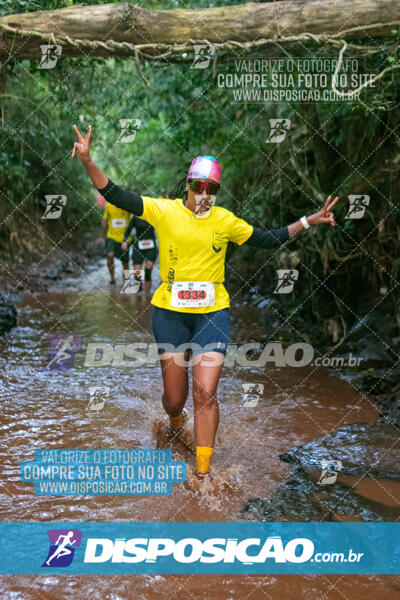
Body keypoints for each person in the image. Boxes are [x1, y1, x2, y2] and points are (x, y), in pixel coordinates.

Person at [72, 124, 339, 481]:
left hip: (212, 316)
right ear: (187, 184)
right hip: (170, 316)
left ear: (216, 191)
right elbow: (115, 193)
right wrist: (88, 160)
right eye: (198, 186)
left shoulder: (225, 221)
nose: (204, 194)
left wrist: (309, 220)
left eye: (211, 189)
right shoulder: (163, 212)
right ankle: (174, 421)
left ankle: (202, 473)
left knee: (206, 392)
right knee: (174, 399)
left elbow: (267, 238)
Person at [122, 215, 157, 294]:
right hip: (138, 245)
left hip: (151, 246)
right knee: (136, 273)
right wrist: (124, 240)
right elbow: (128, 229)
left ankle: (147, 296)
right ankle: (140, 285)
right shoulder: (136, 216)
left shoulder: (154, 215)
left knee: (148, 271)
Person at [99, 199, 132, 285]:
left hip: (124, 239)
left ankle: (126, 281)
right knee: (110, 255)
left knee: (125, 263)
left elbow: (135, 216)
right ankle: (112, 278)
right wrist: (101, 235)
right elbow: (104, 219)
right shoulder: (109, 205)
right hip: (111, 236)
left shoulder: (128, 206)